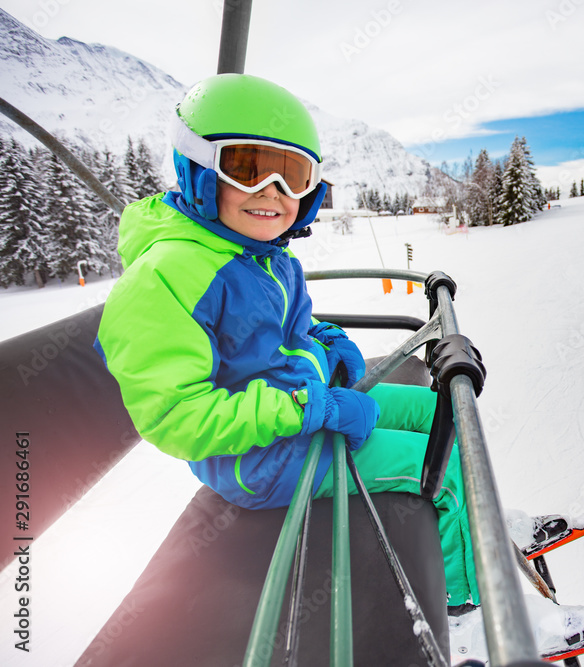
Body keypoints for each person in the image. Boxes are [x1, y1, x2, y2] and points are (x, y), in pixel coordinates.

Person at [95, 73, 478, 606]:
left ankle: (471, 537)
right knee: (446, 468)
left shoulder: (264, 254)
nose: (272, 194)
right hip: (262, 459)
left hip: (306, 406)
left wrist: (326, 339)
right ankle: (459, 609)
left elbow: (287, 333)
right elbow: (177, 418)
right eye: (248, 170)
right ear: (199, 170)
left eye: (292, 177)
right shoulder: (164, 277)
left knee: (439, 412)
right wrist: (309, 406)